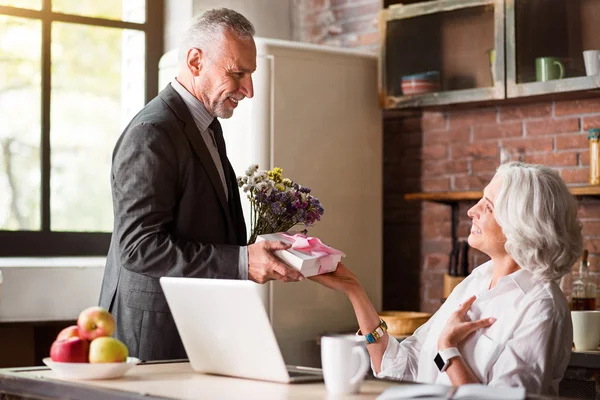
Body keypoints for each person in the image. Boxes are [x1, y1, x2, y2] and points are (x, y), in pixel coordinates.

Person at [98, 8, 304, 361]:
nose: (249, 90)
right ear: (195, 61)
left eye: (250, 75)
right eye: (238, 73)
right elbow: (139, 247)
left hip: (195, 324)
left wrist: (262, 249)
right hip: (154, 337)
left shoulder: (205, 124)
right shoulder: (152, 133)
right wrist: (241, 261)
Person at [312, 162, 581, 395]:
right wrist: (355, 291)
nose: (471, 211)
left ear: (521, 225)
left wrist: (448, 350)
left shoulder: (542, 307)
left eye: (487, 206)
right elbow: (400, 368)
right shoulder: (477, 280)